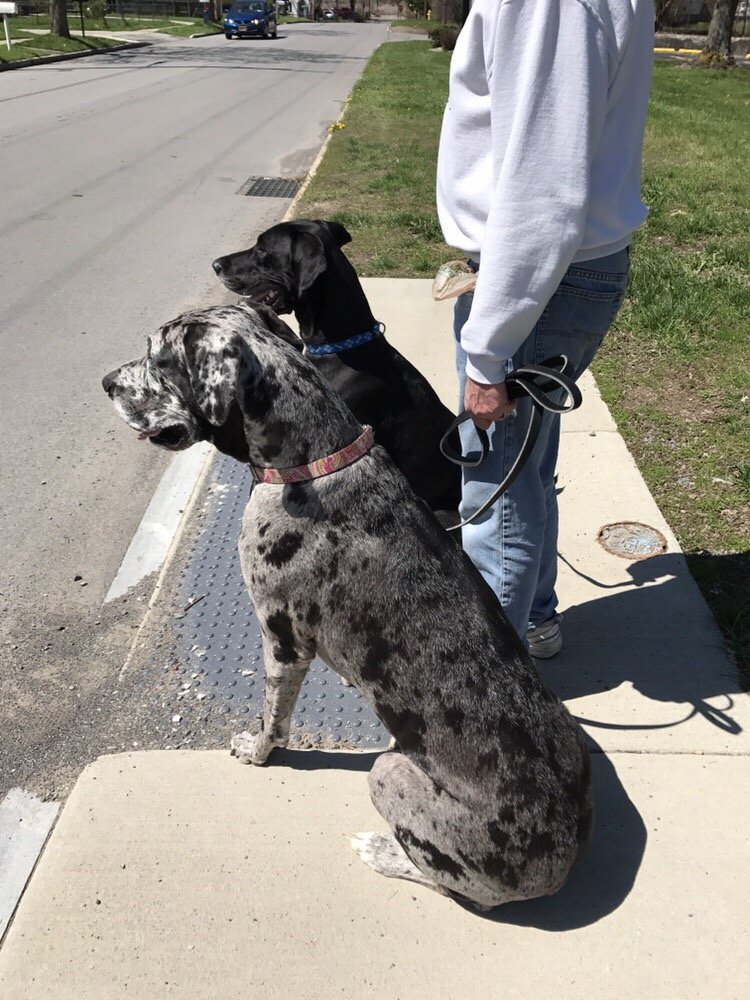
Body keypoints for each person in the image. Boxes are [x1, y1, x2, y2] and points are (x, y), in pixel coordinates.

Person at [436, 0, 654, 657]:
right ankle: (533, 621)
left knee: (495, 489)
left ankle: (490, 700)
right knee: (525, 471)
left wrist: (488, 349)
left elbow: (543, 192)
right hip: (556, 276)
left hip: (541, 280)